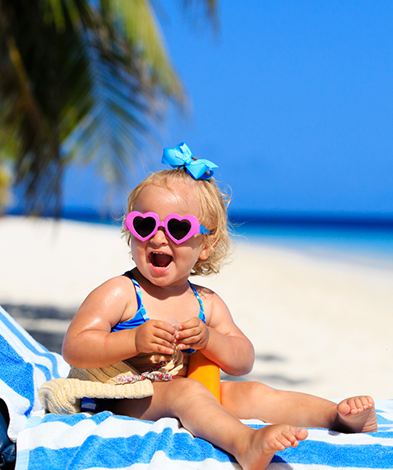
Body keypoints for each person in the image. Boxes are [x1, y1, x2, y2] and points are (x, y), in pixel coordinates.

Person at [62, 143, 377, 470]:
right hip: (124, 398)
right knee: (185, 393)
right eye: (145, 225)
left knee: (253, 393)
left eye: (177, 228)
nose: (157, 238)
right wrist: (133, 340)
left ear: (206, 246)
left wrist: (210, 339)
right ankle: (245, 443)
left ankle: (336, 416)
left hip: (187, 390)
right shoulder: (122, 292)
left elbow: (243, 359)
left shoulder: (206, 302)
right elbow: (75, 348)